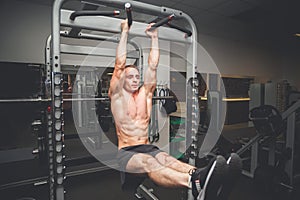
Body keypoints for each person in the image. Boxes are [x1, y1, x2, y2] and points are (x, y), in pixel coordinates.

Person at [108, 19, 242, 199]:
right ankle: (194, 184)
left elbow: (153, 65)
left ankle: (207, 177)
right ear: (122, 79)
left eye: (137, 76)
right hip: (126, 153)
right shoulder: (117, 97)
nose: (134, 79)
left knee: (168, 159)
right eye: (130, 76)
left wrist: (154, 38)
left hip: (147, 146)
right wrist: (125, 31)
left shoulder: (145, 94)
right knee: (150, 163)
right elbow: (119, 66)